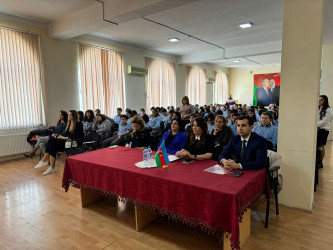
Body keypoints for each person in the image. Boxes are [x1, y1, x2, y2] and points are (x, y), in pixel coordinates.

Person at [34, 110, 84, 175]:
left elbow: (77, 136)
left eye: (70, 115)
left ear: (74, 116)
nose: (68, 116)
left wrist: (63, 138)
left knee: (51, 142)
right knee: (51, 142)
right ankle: (50, 167)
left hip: (73, 142)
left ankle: (46, 162)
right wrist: (58, 136)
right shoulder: (69, 123)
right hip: (66, 141)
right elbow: (65, 134)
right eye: (68, 114)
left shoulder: (78, 124)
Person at [317, 95, 333, 168]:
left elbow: (325, 121)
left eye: (321, 100)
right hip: (318, 129)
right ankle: (317, 159)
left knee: (321, 146)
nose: (320, 101)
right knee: (317, 146)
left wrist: (315, 125)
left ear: (325, 101)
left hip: (324, 130)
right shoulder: (319, 108)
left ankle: (320, 162)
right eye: (319, 99)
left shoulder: (329, 110)